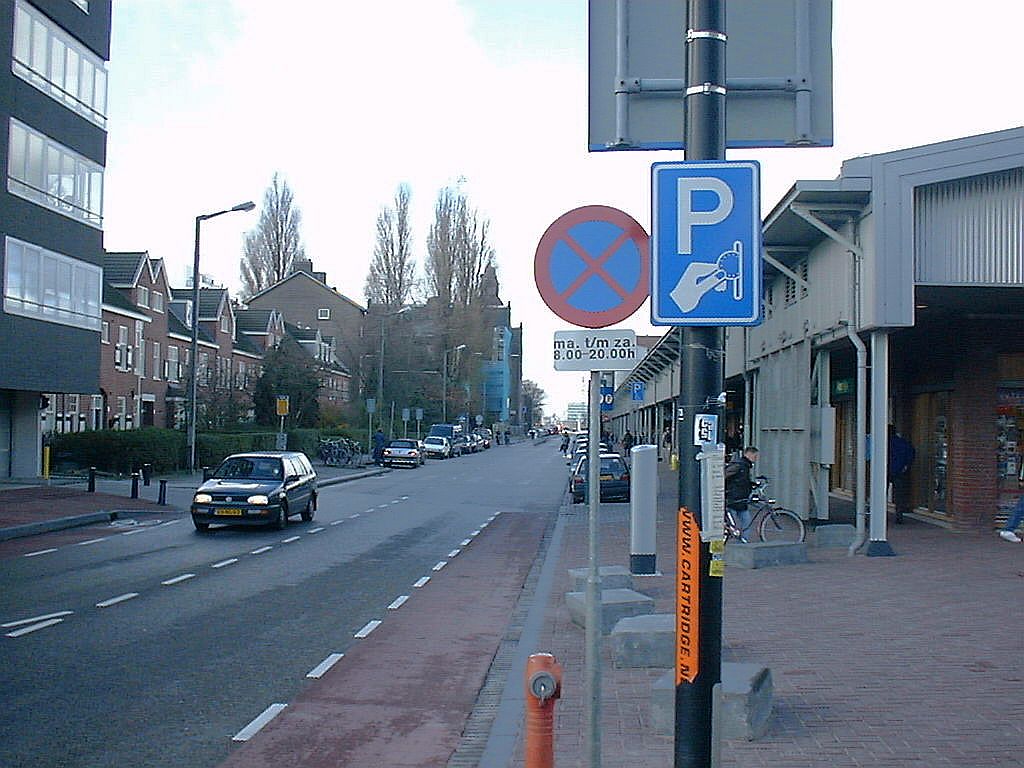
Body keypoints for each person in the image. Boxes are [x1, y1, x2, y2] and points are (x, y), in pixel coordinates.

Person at [725, 446, 759, 540]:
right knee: (743, 522)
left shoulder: (743, 466)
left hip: (739, 499)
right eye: (755, 456)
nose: (755, 459)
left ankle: (743, 540)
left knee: (743, 522)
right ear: (749, 454)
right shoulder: (740, 465)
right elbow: (726, 475)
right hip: (735, 498)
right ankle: (742, 541)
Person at [887, 427, 915, 524]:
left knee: (881, 494)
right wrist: (906, 465)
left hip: (885, 471)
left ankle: (880, 514)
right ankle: (899, 514)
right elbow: (911, 453)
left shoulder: (882, 443)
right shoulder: (903, 442)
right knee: (899, 494)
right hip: (899, 471)